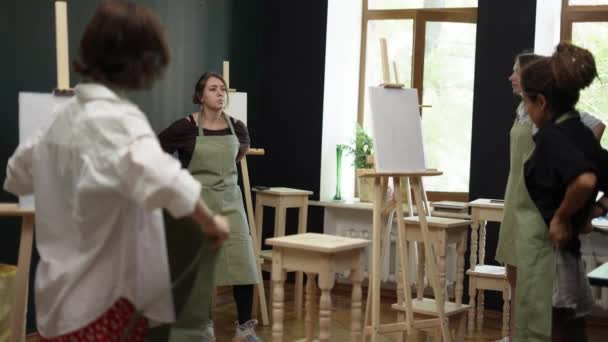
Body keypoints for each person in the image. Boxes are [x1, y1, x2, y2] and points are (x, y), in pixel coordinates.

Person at [3, 1, 229, 340]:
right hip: (104, 304)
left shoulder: (55, 121)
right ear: (140, 64)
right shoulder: (120, 120)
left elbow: (17, 173)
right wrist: (213, 224)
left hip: (56, 306)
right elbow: (170, 181)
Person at [495, 50, 605, 342]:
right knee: (567, 328)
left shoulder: (552, 137)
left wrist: (561, 217)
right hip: (560, 254)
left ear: (542, 102)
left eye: (528, 104)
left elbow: (584, 179)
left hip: (547, 255)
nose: (526, 112)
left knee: (541, 328)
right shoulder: (576, 132)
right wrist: (595, 209)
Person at [159, 72, 260, 342]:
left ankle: (245, 328)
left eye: (223, 89)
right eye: (213, 89)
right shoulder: (184, 128)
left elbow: (239, 153)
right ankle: (205, 326)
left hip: (230, 201)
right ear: (200, 96)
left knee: (243, 264)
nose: (220, 93)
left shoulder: (237, 127)